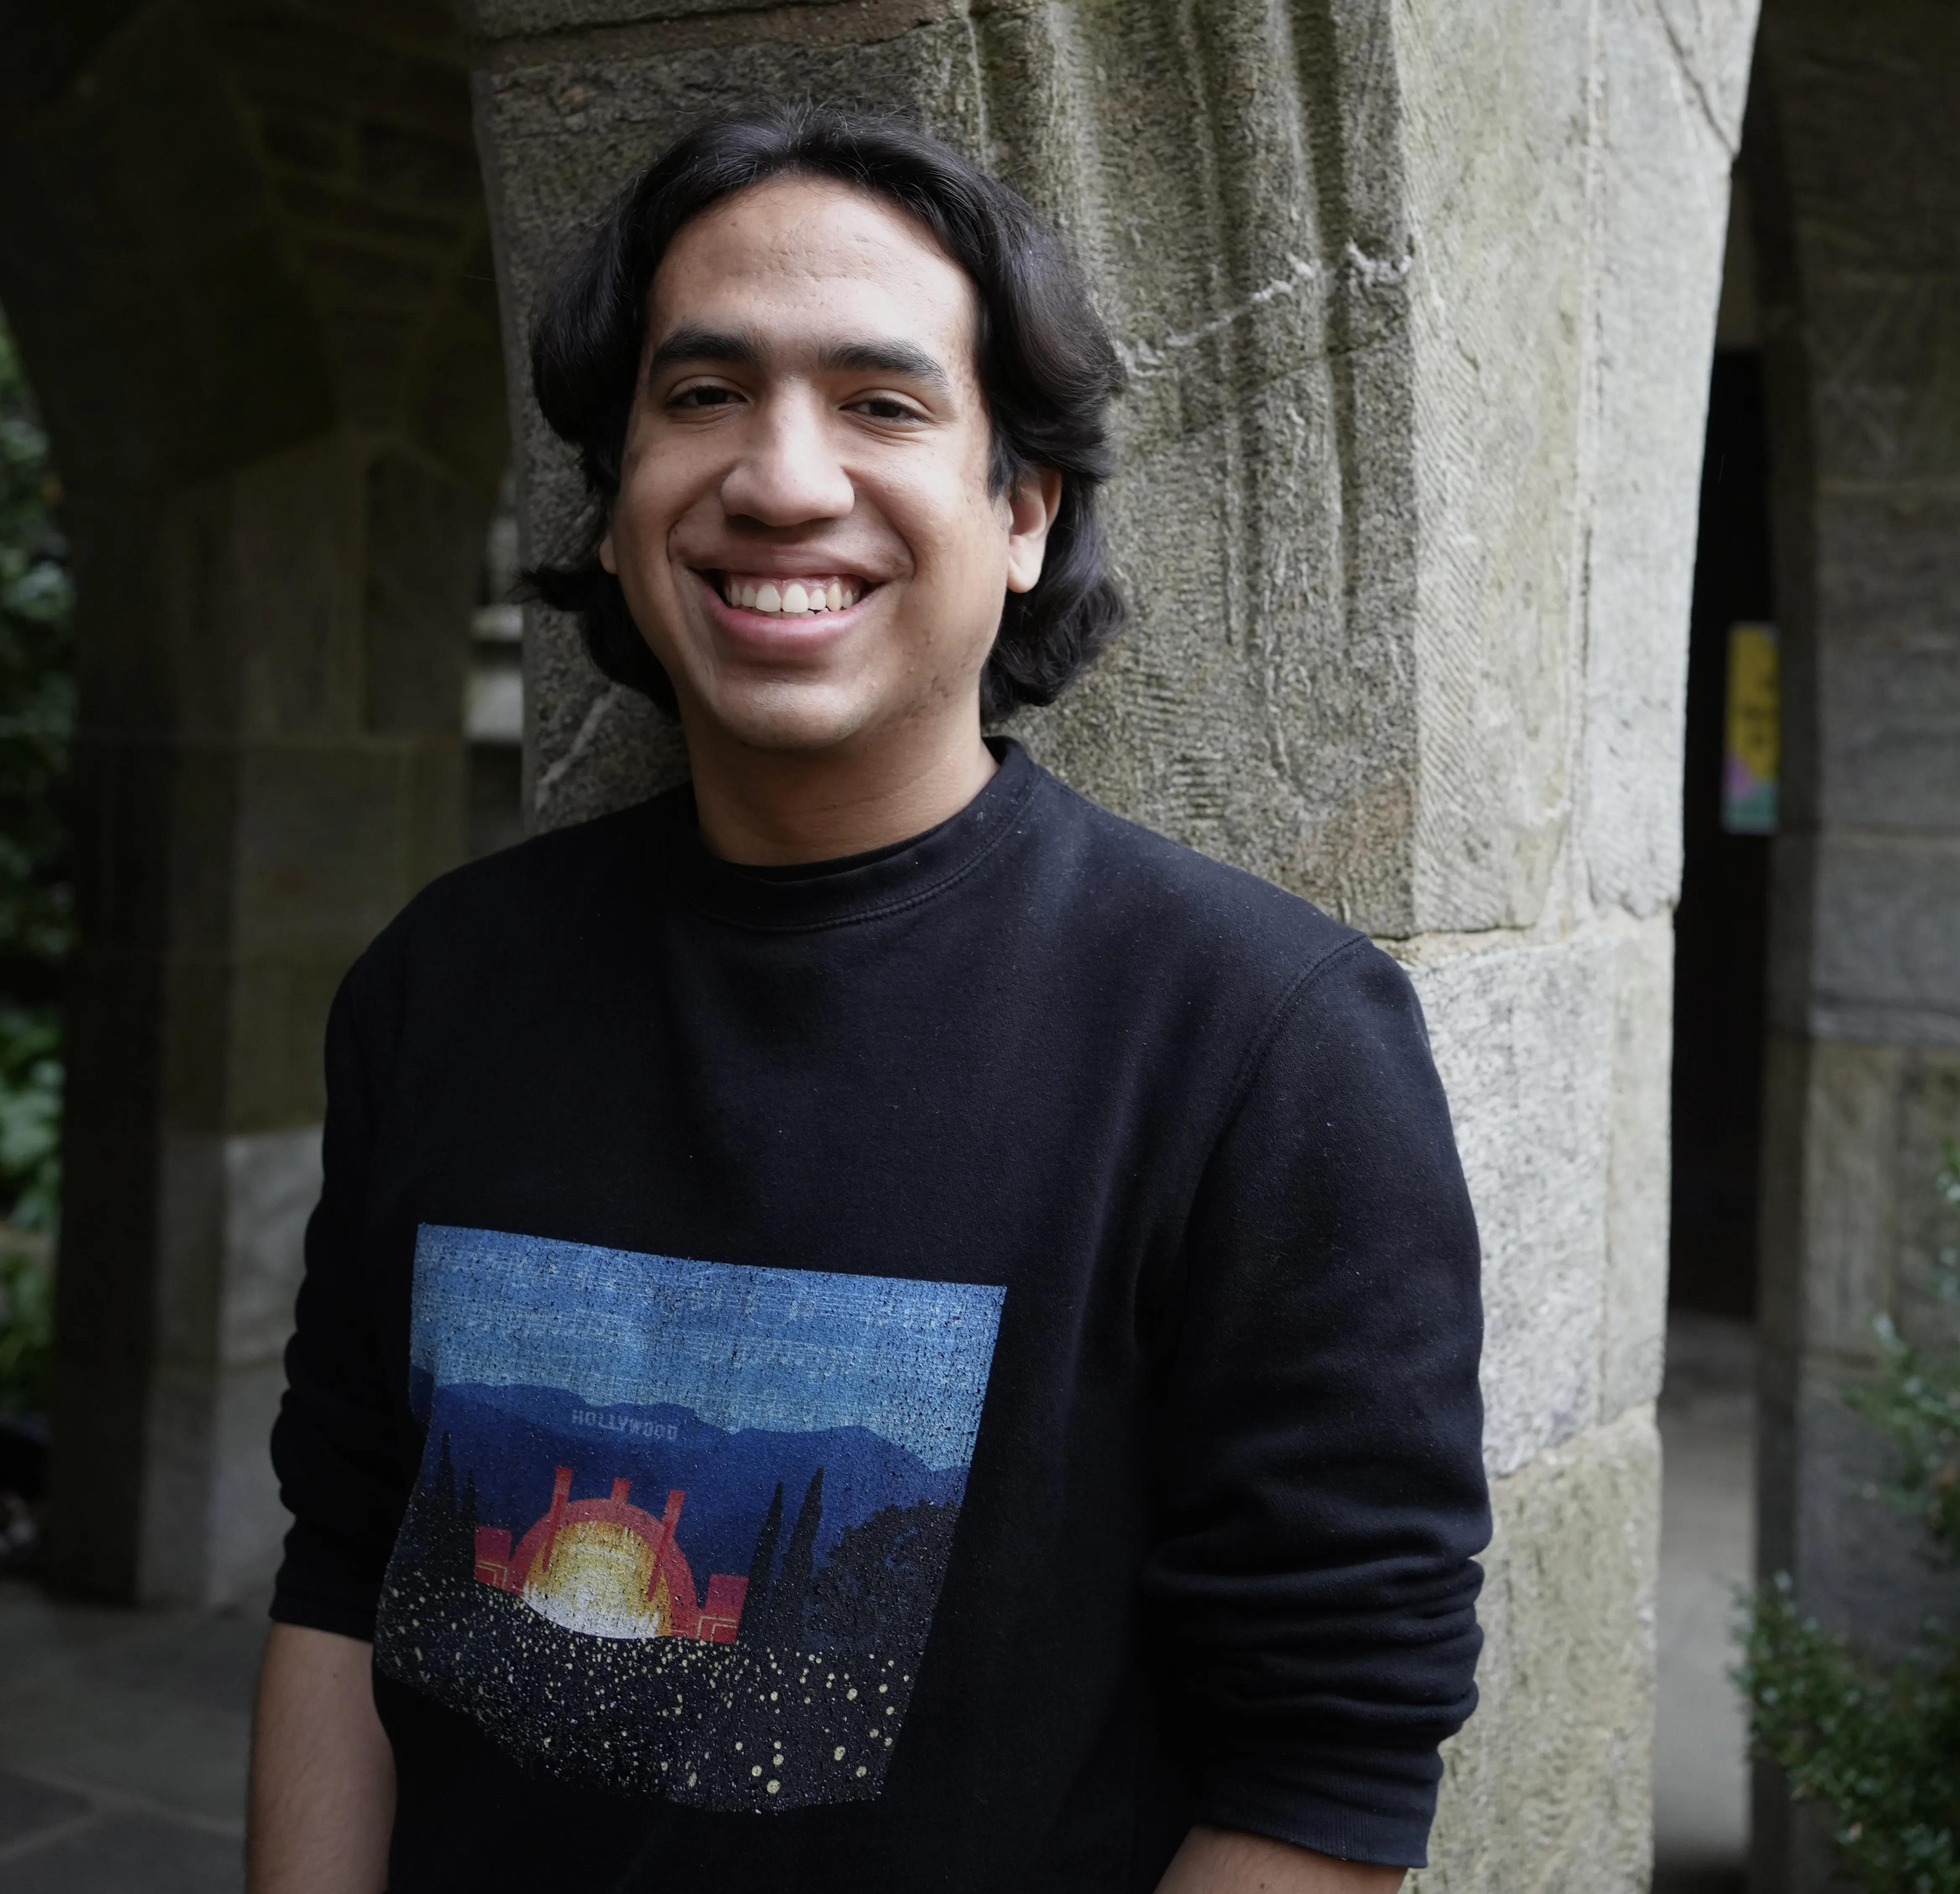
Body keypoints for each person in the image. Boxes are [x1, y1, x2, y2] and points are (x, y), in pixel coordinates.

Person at [249, 106, 1489, 1894]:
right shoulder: (440, 984)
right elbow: (345, 1565)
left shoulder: (1262, 1043)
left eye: (884, 404)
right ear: (613, 515)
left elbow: (1326, 1761)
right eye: (701, 397)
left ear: (1027, 514)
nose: (780, 478)